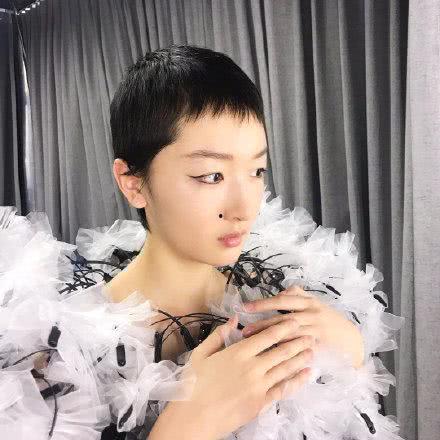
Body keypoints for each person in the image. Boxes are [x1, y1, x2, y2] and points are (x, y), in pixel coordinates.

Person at [0, 44, 405, 440]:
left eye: (257, 171)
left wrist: (351, 349)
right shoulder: (55, 361)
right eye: (212, 176)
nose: (245, 207)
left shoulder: (286, 296)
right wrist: (187, 426)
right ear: (133, 182)